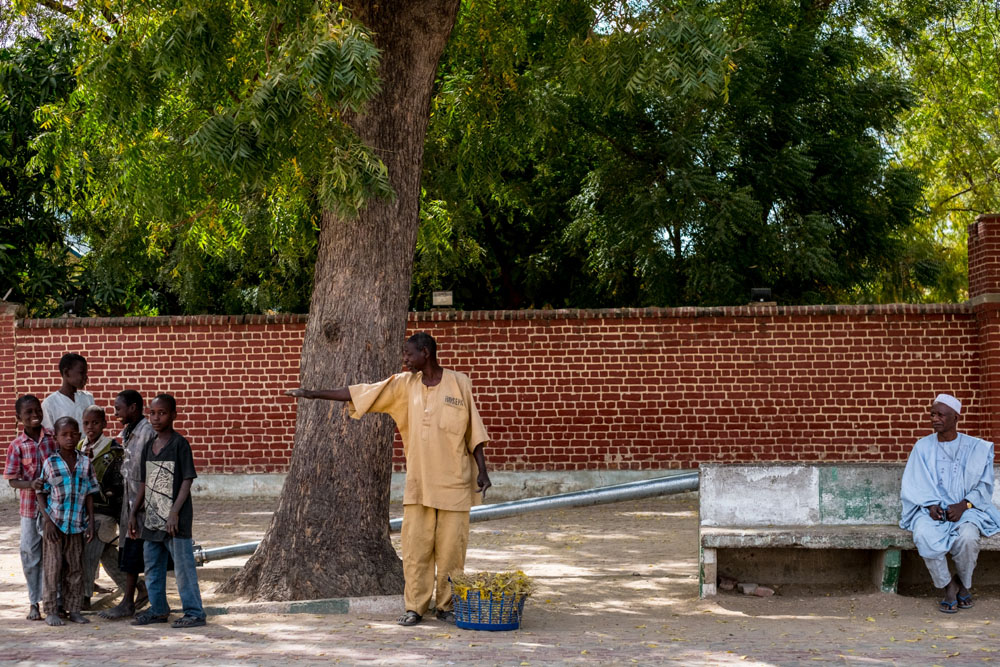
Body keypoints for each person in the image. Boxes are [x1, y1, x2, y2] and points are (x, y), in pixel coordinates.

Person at [286, 332, 491, 626]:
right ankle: (415, 608)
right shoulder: (403, 386)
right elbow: (362, 393)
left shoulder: (460, 383)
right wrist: (312, 393)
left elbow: (475, 432)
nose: (405, 359)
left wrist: (482, 471)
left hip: (455, 484)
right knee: (415, 550)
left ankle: (446, 606)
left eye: (409, 354)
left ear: (426, 353)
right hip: (419, 485)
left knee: (451, 553)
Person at [900, 393, 1000, 613]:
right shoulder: (922, 447)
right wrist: (929, 505)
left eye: (941, 415)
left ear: (956, 417)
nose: (935, 418)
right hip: (931, 510)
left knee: (968, 538)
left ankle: (964, 584)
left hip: (968, 509)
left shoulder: (977, 448)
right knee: (924, 535)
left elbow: (984, 487)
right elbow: (915, 482)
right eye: (932, 414)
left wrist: (963, 505)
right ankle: (948, 586)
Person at [128, 393, 207, 628]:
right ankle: (159, 609)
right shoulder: (149, 446)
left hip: (176, 518)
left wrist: (174, 512)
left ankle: (194, 612)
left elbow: (187, 480)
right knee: (152, 565)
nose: (156, 417)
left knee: (183, 567)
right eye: (152, 413)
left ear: (173, 415)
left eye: (162, 413)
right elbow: (144, 483)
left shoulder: (179, 444)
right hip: (153, 515)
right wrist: (134, 512)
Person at [37, 416, 98, 626]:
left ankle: (74, 609)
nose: (69, 438)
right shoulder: (50, 463)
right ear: (56, 438)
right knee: (53, 569)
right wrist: (47, 521)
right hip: (55, 525)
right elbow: (41, 493)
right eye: (64, 435)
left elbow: (90, 493)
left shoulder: (85, 462)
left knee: (75, 569)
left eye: (73, 434)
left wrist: (90, 523)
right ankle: (51, 610)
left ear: (79, 436)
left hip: (77, 525)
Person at [99, 389, 152, 620]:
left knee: (147, 553)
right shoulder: (129, 431)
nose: (116, 413)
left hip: (142, 504)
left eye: (118, 408)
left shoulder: (147, 432)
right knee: (129, 552)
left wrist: (134, 510)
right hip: (129, 503)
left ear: (133, 408)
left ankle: (139, 601)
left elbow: (146, 476)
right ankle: (129, 601)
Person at [4, 395, 57, 621]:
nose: (35, 416)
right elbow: (12, 480)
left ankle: (52, 600)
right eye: (28, 413)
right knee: (30, 553)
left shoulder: (52, 438)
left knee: (53, 553)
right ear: (19, 418)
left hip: (54, 507)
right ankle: (34, 601)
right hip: (29, 509)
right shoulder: (16, 446)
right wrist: (30, 484)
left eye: (37, 411)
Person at [78, 404, 127, 609]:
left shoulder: (114, 450)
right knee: (107, 556)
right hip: (85, 513)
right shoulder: (79, 446)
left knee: (90, 556)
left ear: (104, 424)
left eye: (95, 423)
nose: (91, 427)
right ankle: (139, 588)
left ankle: (85, 597)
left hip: (104, 514)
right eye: (87, 423)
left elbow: (118, 488)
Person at [41, 353, 95, 433]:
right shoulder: (50, 403)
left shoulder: (88, 398)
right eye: (81, 373)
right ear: (66, 373)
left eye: (86, 373)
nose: (86, 377)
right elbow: (49, 434)